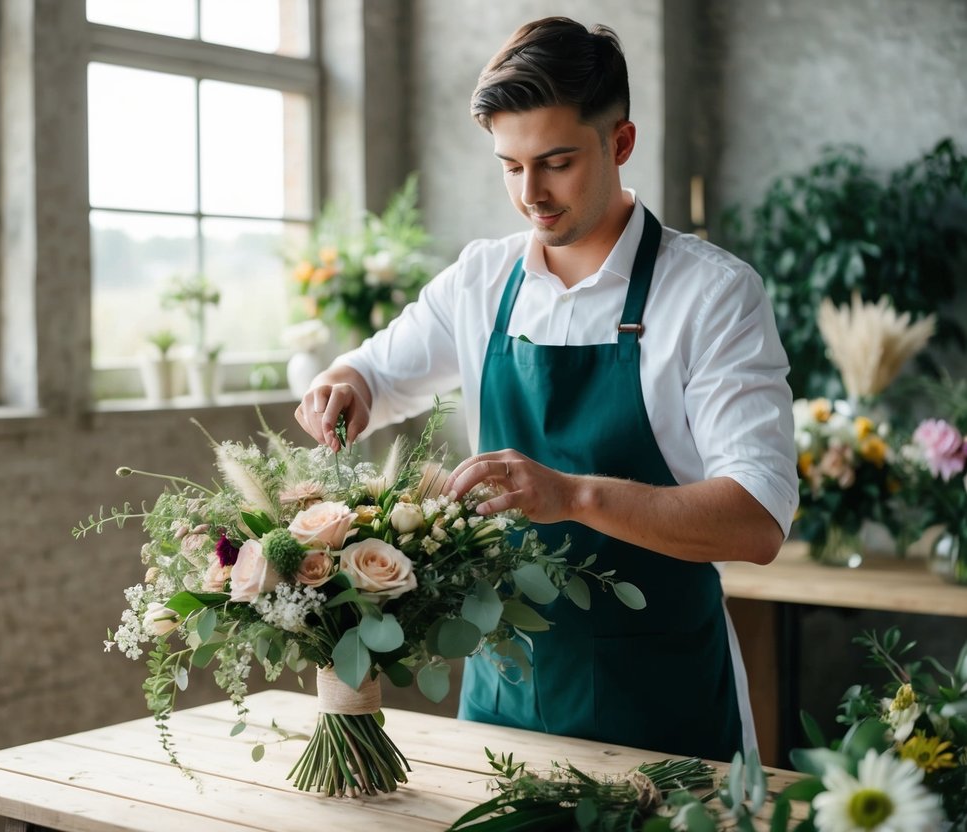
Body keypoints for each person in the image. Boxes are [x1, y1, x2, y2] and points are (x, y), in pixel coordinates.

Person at [293, 16, 797, 763]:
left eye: (555, 162)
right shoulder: (480, 278)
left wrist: (573, 496)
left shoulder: (713, 295)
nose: (530, 192)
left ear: (619, 143)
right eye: (509, 164)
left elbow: (756, 520)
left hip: (664, 710)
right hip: (504, 699)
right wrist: (344, 383)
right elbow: (374, 373)